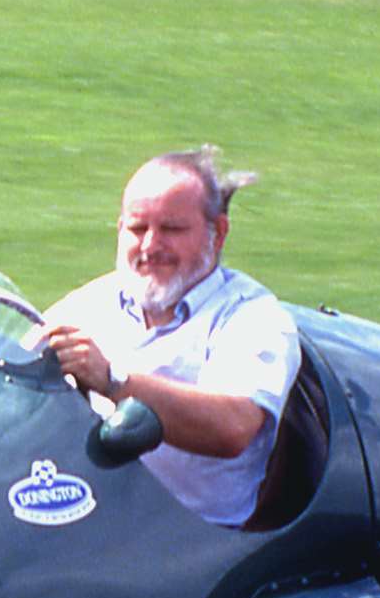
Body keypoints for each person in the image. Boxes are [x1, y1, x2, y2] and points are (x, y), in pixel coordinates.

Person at [25, 147, 301, 527]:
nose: (151, 246)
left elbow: (233, 426)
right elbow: (16, 365)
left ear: (217, 233)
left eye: (171, 229)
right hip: (89, 521)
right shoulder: (92, 303)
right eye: (138, 229)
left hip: (197, 542)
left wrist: (112, 380)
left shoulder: (250, 317)